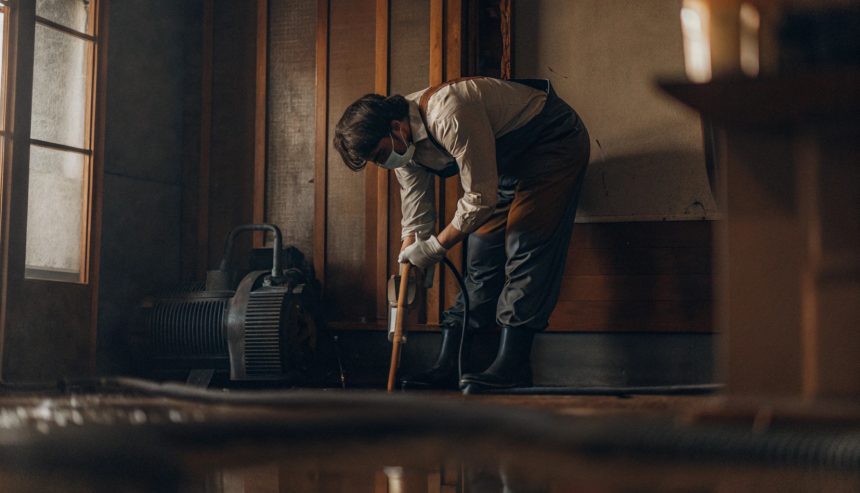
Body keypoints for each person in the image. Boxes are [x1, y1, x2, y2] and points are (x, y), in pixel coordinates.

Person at [333, 76, 590, 391]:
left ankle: (513, 365)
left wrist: (437, 247)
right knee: (481, 252)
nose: (383, 162)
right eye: (375, 161)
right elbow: (416, 218)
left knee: (524, 242)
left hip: (552, 143)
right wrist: (411, 261)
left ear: (396, 127)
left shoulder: (448, 114)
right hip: (505, 167)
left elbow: (480, 200)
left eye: (380, 153)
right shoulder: (401, 146)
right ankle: (450, 363)